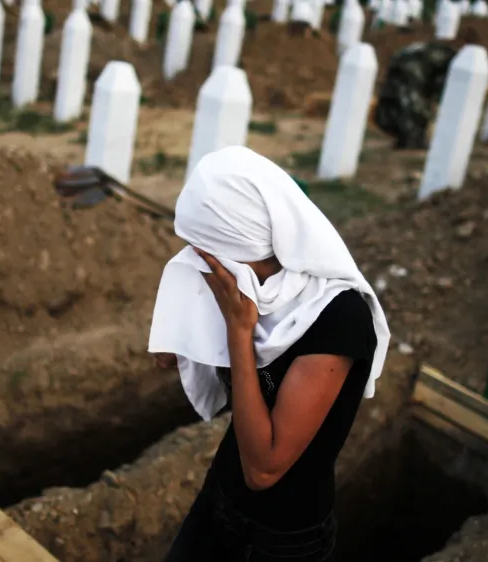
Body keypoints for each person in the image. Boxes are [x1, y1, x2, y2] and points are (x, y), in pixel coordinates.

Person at [148, 146, 391, 561]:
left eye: (202, 252)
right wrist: (187, 333)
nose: (195, 263)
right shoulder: (246, 286)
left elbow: (263, 469)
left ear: (237, 247)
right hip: (221, 499)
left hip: (282, 540)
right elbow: (173, 356)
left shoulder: (337, 320)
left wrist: (239, 332)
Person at [374, 41, 458, 149]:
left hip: (403, 65)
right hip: (411, 69)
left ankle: (409, 139)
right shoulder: (449, 60)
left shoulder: (446, 56)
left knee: (405, 104)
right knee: (413, 108)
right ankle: (411, 140)